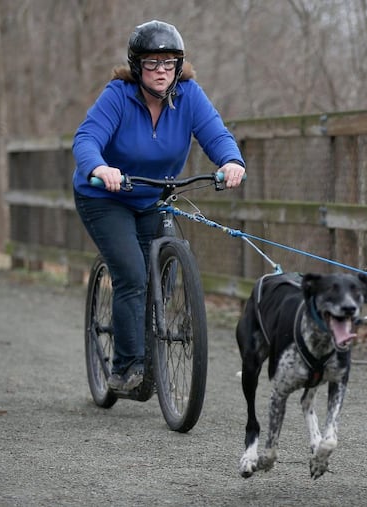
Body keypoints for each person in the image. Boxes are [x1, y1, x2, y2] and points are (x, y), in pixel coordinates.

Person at [72, 20, 246, 391]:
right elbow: (87, 138)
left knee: (159, 277)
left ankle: (149, 332)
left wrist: (231, 161)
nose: (162, 71)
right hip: (105, 197)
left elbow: (216, 133)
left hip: (153, 195)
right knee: (132, 274)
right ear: (137, 66)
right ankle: (126, 367)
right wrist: (100, 168)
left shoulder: (189, 95)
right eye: (152, 63)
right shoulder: (118, 95)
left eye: (170, 63)